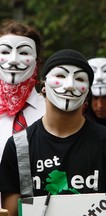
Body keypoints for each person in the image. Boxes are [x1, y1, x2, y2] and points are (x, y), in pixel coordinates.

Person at [0, 49, 106, 216]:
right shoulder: (18, 146)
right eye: (60, 76)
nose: (70, 85)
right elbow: (10, 213)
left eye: (79, 79)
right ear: (43, 86)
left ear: (87, 92)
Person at [0, 20, 46, 160]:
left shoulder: (52, 110)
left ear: (37, 60)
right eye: (5, 52)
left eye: (24, 52)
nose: (13, 60)